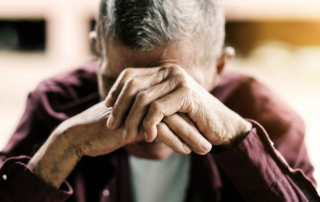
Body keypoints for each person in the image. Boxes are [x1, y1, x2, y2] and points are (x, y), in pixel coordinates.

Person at [0, 0, 319, 201]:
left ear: (219, 66)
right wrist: (64, 146)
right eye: (117, 86)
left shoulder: (267, 116)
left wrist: (237, 139)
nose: (147, 123)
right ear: (97, 52)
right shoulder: (55, 103)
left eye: (172, 91)